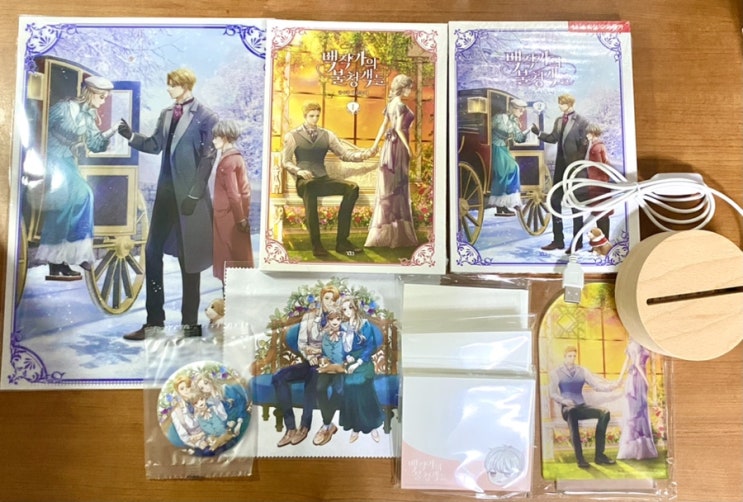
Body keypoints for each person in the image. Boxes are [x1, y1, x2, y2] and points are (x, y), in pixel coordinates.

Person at [118, 68, 218, 340]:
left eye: (172, 85)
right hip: (165, 195)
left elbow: (208, 158)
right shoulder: (165, 114)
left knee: (189, 260)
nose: (168, 89)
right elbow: (154, 145)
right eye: (168, 84)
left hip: (190, 198)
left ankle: (190, 326)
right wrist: (130, 136)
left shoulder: (207, 117)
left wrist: (195, 195)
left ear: (185, 85)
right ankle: (154, 323)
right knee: (152, 252)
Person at [37, 76, 118, 280]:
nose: (103, 101)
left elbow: (95, 144)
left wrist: (112, 131)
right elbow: (40, 127)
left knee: (86, 194)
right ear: (90, 93)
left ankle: (75, 254)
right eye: (101, 96)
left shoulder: (89, 116)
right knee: (65, 198)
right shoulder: (63, 108)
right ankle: (55, 260)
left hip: (66, 159)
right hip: (49, 156)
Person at [281, 102, 375, 258]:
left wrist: (365, 154)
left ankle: (342, 242)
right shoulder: (292, 136)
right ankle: (317, 245)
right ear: (305, 116)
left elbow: (345, 155)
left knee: (352, 188)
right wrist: (299, 171)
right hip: (305, 182)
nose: (315, 119)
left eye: (317, 116)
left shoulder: (327, 135)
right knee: (310, 186)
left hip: (322, 180)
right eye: (311, 116)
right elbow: (286, 161)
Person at [271, 284, 340, 448]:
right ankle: (290, 428)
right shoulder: (309, 317)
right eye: (327, 298)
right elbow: (302, 343)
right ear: (321, 299)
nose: (329, 302)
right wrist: (310, 355)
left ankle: (304, 427)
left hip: (328, 365)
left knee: (313, 375)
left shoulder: (338, 319)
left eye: (333, 300)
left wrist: (319, 353)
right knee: (279, 377)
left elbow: (337, 347)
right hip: (309, 361)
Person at [364, 74, 418, 248]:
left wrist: (375, 145)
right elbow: (398, 128)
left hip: (388, 147)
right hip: (398, 148)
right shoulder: (400, 105)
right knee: (397, 187)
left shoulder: (390, 105)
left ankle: (391, 234)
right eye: (409, 87)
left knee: (390, 187)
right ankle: (396, 235)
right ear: (402, 88)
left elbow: (383, 126)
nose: (410, 91)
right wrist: (408, 148)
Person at [531, 94, 589, 252]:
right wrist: (538, 133)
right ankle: (558, 241)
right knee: (554, 201)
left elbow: (584, 145)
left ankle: (577, 242)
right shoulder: (558, 120)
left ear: (570, 103)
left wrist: (576, 163)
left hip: (575, 170)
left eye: (562, 103)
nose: (560, 106)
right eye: (559, 103)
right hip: (560, 168)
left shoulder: (582, 121)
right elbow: (553, 138)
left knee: (575, 205)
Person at [549, 345, 619, 468]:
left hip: (581, 407)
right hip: (568, 409)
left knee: (605, 412)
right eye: (569, 356)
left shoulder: (582, 371)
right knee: (572, 412)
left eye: (574, 356)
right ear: (564, 357)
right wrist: (563, 400)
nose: (572, 358)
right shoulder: (556, 373)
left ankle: (599, 455)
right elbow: (552, 393)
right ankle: (580, 459)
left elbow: (596, 386)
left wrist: (612, 387)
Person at [210, 119, 253, 283]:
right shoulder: (237, 158)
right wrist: (243, 216)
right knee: (238, 257)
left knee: (227, 259)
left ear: (225, 137)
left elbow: (234, 194)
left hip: (227, 216)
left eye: (216, 137)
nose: (213, 140)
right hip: (236, 215)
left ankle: (228, 293)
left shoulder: (227, 161)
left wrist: (240, 219)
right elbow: (245, 191)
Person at [337, 297, 384, 444]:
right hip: (351, 361)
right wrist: (347, 357)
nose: (347, 311)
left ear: (355, 308)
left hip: (364, 361)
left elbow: (370, 347)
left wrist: (357, 363)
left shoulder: (364, 324)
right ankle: (355, 427)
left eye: (350, 308)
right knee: (349, 386)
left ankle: (372, 426)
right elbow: (342, 348)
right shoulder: (343, 326)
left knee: (361, 385)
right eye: (344, 309)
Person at [616, 339, 659, 460]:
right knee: (639, 411)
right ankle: (640, 449)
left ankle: (635, 449)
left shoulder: (631, 344)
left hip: (632, 378)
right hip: (638, 379)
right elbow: (637, 364)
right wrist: (646, 380)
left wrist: (620, 378)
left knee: (636, 411)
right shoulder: (638, 345)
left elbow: (626, 362)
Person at [488, 98, 530, 216]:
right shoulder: (499, 118)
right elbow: (491, 128)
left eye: (522, 111)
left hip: (503, 148)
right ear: (513, 109)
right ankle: (501, 204)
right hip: (495, 147)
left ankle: (504, 204)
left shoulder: (514, 122)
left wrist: (527, 131)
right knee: (506, 170)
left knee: (513, 168)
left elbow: (519, 138)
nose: (521, 113)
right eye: (520, 110)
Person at [585, 123, 613, 239]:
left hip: (597, 184)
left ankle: (603, 239)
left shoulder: (595, 148)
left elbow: (598, 166)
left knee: (600, 213)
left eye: (588, 133)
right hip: (600, 183)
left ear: (592, 133)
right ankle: (603, 239)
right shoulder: (599, 146)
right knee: (601, 213)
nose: (586, 135)